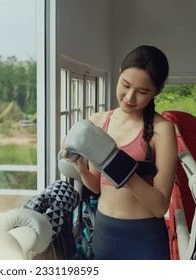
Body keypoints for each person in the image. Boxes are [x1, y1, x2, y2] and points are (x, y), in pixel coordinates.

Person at [64, 45, 177, 259]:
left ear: (157, 91)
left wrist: (117, 165)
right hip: (104, 232)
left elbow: (160, 206)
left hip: (145, 239)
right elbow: (96, 186)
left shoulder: (162, 130)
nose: (129, 97)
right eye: (125, 85)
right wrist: (79, 165)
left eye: (142, 92)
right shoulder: (98, 121)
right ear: (119, 73)